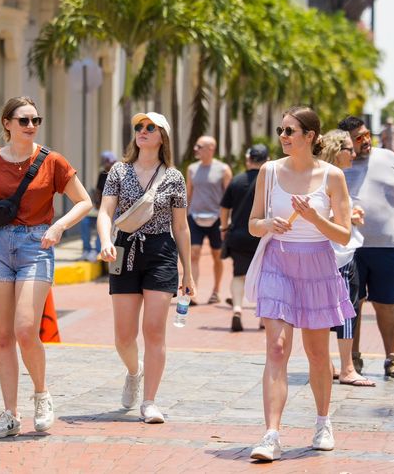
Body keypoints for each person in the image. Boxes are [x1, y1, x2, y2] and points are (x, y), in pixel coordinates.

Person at [0, 96, 92, 438]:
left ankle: (42, 394)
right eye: (23, 120)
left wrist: (59, 226)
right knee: (2, 336)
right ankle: (9, 414)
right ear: (7, 123)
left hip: (37, 245)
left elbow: (84, 202)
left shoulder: (52, 161)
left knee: (24, 329)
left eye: (35, 120)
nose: (31, 126)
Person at [247, 107, 355, 461]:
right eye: (281, 130)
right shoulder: (269, 171)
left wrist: (314, 218)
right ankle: (271, 434)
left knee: (317, 352)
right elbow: (252, 224)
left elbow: (343, 235)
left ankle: (323, 422)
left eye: (291, 130)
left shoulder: (333, 176)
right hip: (278, 261)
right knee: (277, 348)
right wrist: (268, 225)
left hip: (317, 266)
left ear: (310, 136)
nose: (284, 136)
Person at [97, 111, 195, 424]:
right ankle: (134, 371)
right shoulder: (119, 171)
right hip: (123, 249)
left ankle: (150, 402)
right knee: (123, 337)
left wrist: (188, 272)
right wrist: (104, 240)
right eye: (139, 126)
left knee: (154, 331)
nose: (142, 130)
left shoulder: (174, 177)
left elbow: (181, 227)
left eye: (150, 127)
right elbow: (104, 212)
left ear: (162, 136)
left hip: (160, 251)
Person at [337, 115, 394, 380]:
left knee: (386, 304)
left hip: (387, 247)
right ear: (347, 142)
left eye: (367, 134)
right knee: (351, 306)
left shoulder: (389, 158)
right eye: (358, 138)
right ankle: (351, 360)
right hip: (350, 248)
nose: (365, 140)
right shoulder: (339, 164)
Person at [318, 129, 374, 387]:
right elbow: (317, 214)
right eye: (349, 149)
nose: (353, 153)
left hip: (335, 254)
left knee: (325, 312)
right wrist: (348, 218)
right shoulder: (331, 175)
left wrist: (351, 214)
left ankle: (330, 365)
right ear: (337, 150)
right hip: (338, 256)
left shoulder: (319, 174)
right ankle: (347, 368)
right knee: (346, 311)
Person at [219, 144, 268, 332]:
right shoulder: (270, 181)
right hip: (262, 235)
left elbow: (224, 208)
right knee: (264, 276)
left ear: (248, 160)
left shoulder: (237, 180)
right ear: (267, 160)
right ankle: (263, 318)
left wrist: (224, 228)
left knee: (239, 275)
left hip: (238, 235)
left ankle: (237, 309)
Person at [187, 135, 232, 304]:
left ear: (211, 149)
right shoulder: (192, 169)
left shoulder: (223, 169)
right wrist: (184, 217)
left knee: (217, 256)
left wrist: (227, 221)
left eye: (199, 146)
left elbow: (230, 197)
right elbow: (188, 194)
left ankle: (216, 291)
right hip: (195, 216)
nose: (195, 149)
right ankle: (193, 293)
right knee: (194, 254)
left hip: (216, 219)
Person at [80, 151, 117, 261]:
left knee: (102, 225)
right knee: (85, 222)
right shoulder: (102, 174)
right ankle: (86, 249)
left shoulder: (119, 174)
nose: (107, 165)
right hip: (100, 208)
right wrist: (96, 203)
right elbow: (98, 191)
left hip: (113, 211)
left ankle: (97, 250)